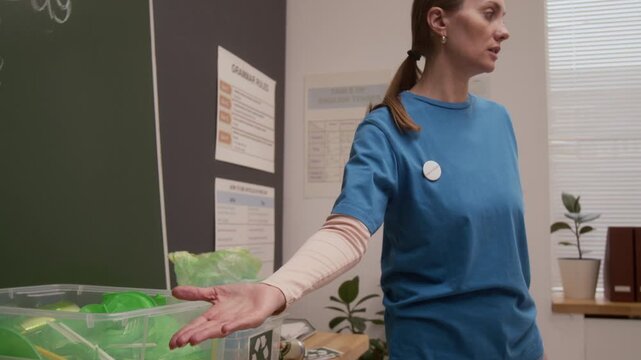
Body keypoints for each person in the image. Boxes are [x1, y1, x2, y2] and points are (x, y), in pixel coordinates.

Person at [170, 0, 546, 358]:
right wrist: (277, 288)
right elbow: (347, 230)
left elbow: (505, 259)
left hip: (521, 345)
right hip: (434, 349)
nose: (504, 31)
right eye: (489, 13)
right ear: (439, 21)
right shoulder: (387, 129)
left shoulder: (500, 122)